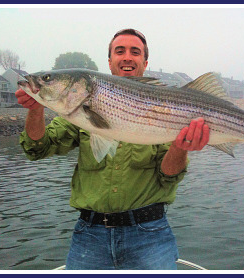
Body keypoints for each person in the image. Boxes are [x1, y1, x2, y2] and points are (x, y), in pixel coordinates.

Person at [15, 28, 209, 270]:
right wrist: (36, 109)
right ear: (109, 61)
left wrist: (181, 147)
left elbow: (168, 176)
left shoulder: (165, 107)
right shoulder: (76, 113)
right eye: (120, 51)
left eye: (135, 52)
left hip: (150, 235)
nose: (127, 56)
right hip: (90, 235)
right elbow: (38, 148)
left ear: (145, 62)